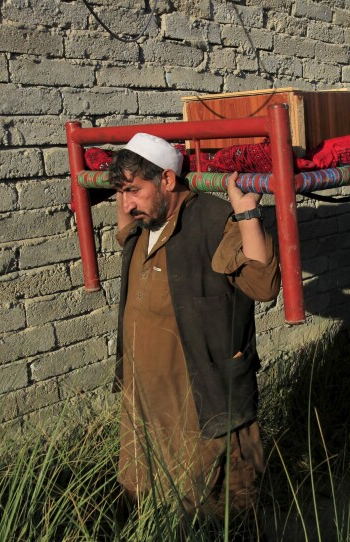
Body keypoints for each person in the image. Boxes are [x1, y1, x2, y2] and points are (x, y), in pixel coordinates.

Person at [109, 133, 281, 515]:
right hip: (145, 397)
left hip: (201, 393)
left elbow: (263, 284)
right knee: (149, 488)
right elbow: (124, 220)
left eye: (134, 190)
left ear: (168, 180)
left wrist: (247, 213)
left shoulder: (215, 220)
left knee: (218, 503)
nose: (126, 204)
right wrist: (123, 185)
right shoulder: (141, 223)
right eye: (120, 193)